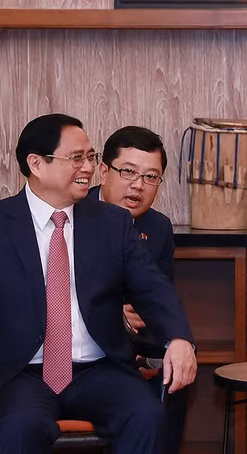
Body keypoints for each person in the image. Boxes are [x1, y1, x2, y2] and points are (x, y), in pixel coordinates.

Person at [0, 114, 196, 453]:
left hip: (98, 369)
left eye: (91, 157)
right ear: (36, 164)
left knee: (147, 415)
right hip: (22, 373)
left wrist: (178, 337)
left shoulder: (111, 223)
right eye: (76, 158)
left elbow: (153, 288)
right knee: (17, 428)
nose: (87, 168)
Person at [90, 125, 189, 453]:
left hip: (135, 345)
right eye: (128, 172)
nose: (138, 185)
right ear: (104, 171)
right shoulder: (71, 214)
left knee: (179, 370)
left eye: (151, 177)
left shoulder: (157, 227)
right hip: (75, 347)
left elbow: (159, 298)